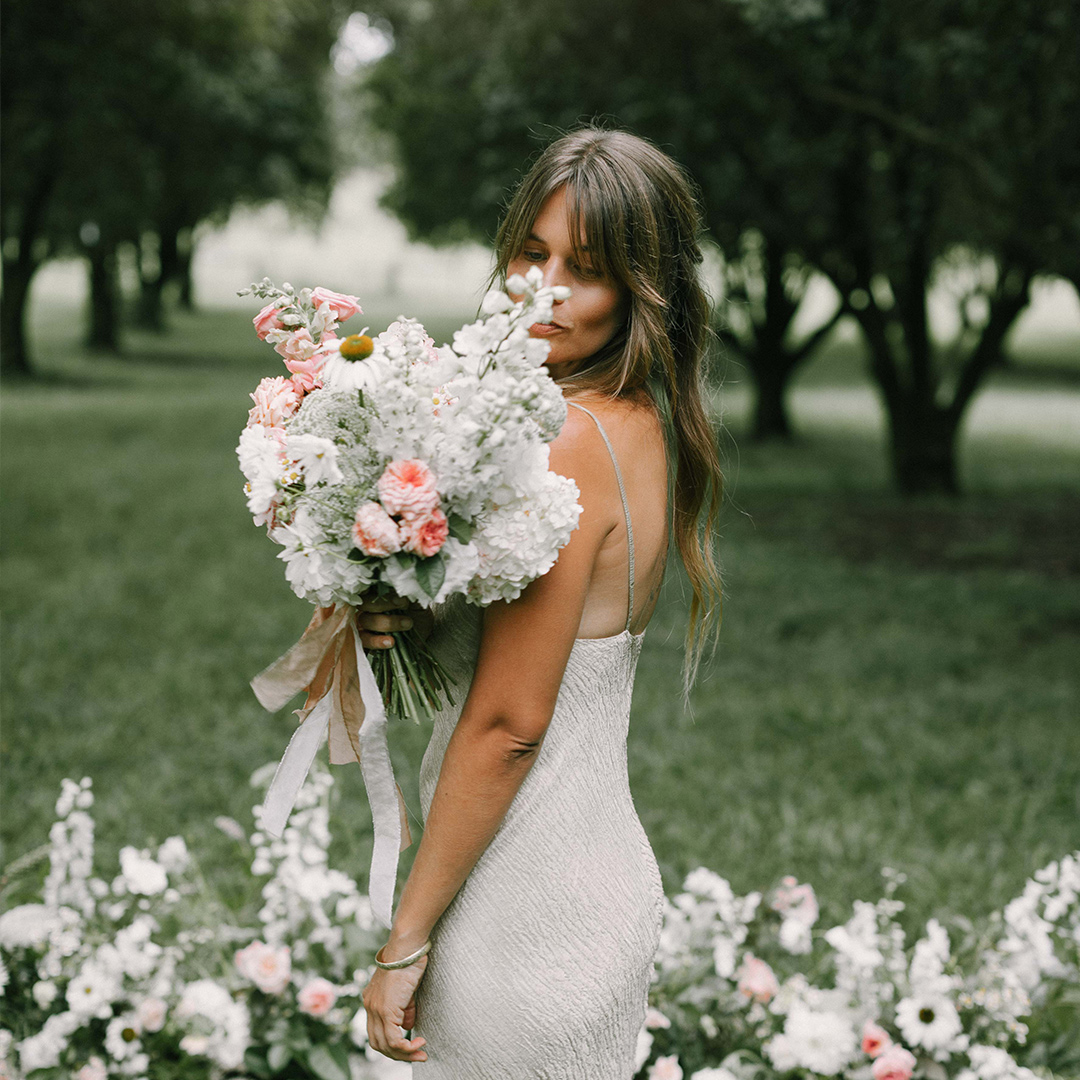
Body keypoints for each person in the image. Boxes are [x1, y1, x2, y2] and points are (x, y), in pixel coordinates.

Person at [357, 126, 723, 1077]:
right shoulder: (635, 421)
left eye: (586, 269)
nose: (543, 289)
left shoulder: (563, 443)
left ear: (646, 289)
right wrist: (410, 607)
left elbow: (511, 722)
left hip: (521, 898)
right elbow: (548, 639)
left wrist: (405, 939)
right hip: (599, 873)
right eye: (531, 252)